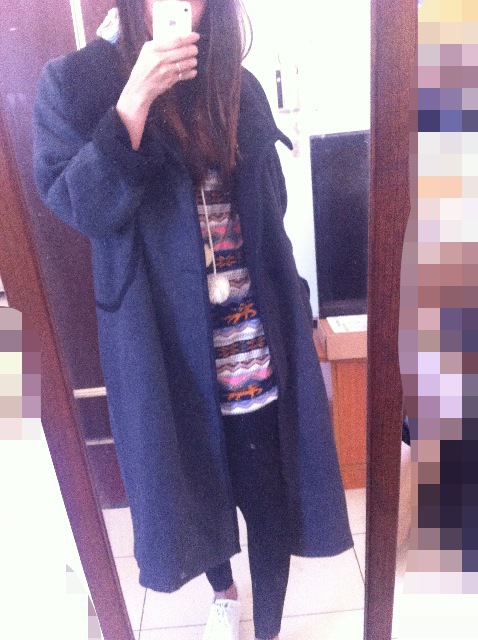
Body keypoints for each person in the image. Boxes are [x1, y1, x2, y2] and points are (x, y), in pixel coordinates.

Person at [33, 1, 353, 638]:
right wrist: (133, 105)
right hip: (164, 352)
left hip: (254, 341)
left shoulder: (239, 84)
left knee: (269, 503)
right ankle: (223, 591)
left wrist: (298, 307)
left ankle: (269, 628)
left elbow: (272, 215)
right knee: (196, 489)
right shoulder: (75, 84)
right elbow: (80, 207)